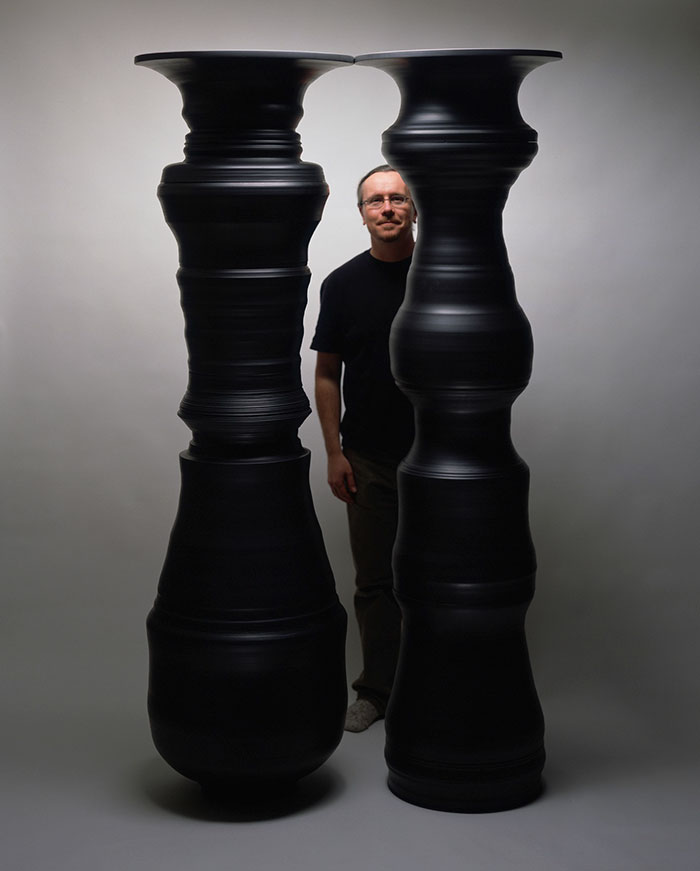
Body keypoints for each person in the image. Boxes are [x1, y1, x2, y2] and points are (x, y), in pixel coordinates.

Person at [311, 165, 417, 732]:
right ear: (361, 214)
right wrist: (334, 452)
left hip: (444, 458)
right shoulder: (343, 285)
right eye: (376, 201)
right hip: (370, 458)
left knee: (445, 577)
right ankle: (377, 691)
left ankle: (440, 688)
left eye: (398, 198)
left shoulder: (445, 275)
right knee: (376, 582)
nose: (388, 208)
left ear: (414, 209)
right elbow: (327, 373)